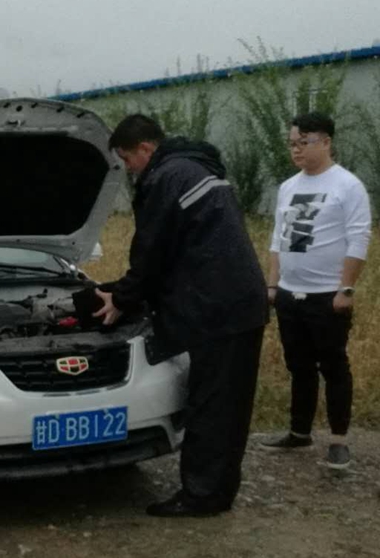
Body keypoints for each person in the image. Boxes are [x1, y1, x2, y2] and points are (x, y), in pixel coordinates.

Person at [93, 114, 268, 517]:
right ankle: (217, 492)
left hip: (217, 308)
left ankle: (201, 496)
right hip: (238, 303)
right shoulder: (195, 169)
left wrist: (121, 298)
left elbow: (152, 251)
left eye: (127, 159)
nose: (129, 170)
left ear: (145, 148)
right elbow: (181, 250)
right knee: (229, 405)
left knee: (210, 405)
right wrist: (125, 289)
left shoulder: (166, 177)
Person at [261, 112, 372, 469]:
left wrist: (346, 289)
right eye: (292, 143)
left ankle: (338, 440)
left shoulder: (347, 185)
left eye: (303, 142)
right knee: (299, 366)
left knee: (334, 366)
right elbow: (279, 239)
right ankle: (299, 432)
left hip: (328, 296)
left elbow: (358, 238)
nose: (296, 150)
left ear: (325, 142)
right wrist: (273, 285)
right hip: (289, 294)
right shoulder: (288, 187)